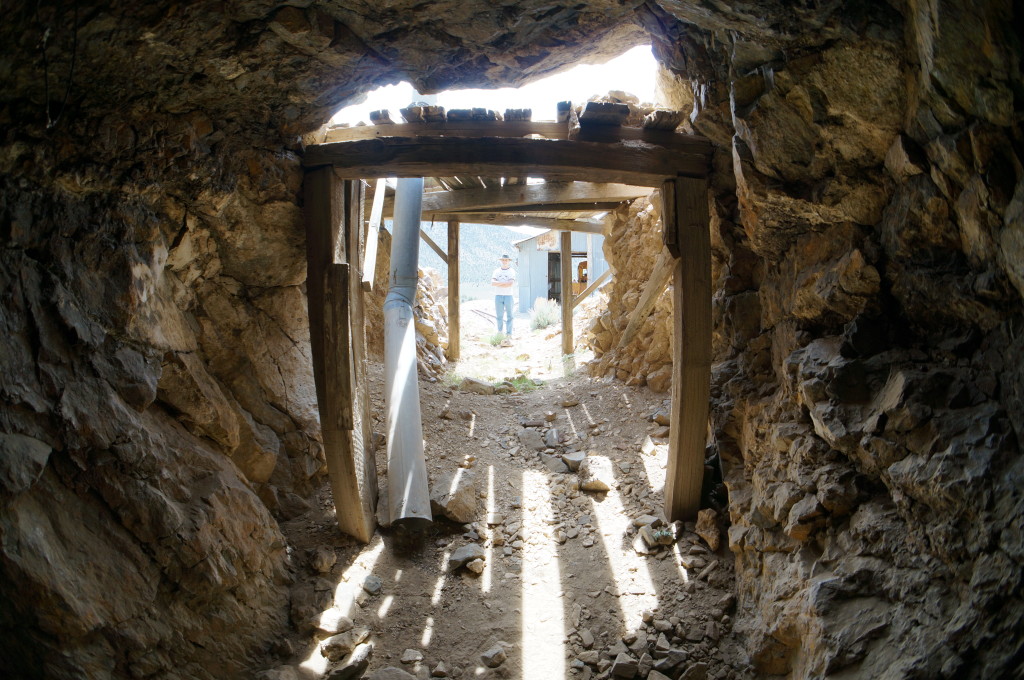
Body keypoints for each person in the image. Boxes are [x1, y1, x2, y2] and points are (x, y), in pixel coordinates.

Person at [491, 254, 517, 336]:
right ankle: (500, 332)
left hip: (508, 296)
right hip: (498, 295)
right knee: (499, 315)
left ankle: (509, 333)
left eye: (506, 260)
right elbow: (492, 283)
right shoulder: (496, 271)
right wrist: (505, 283)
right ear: (501, 261)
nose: (504, 261)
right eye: (503, 260)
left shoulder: (511, 271)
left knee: (510, 315)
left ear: (509, 261)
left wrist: (498, 283)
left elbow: (510, 284)